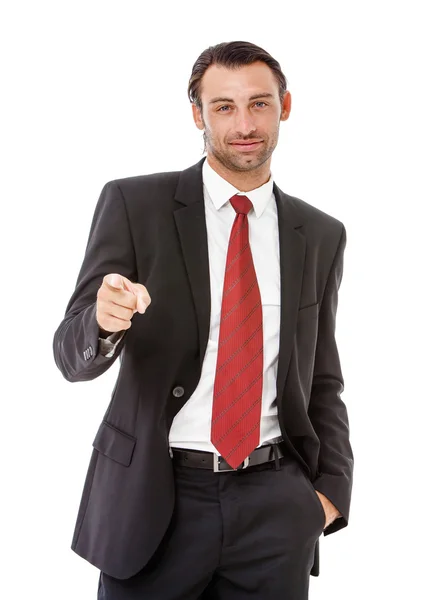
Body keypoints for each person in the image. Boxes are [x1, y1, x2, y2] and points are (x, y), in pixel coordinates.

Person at [53, 40, 354, 600]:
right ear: (198, 114)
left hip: (274, 508)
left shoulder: (320, 234)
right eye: (223, 106)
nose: (244, 124)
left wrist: (329, 491)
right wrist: (103, 322)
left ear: (285, 106)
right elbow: (70, 353)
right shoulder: (134, 205)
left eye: (259, 104)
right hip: (154, 500)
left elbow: (323, 378)